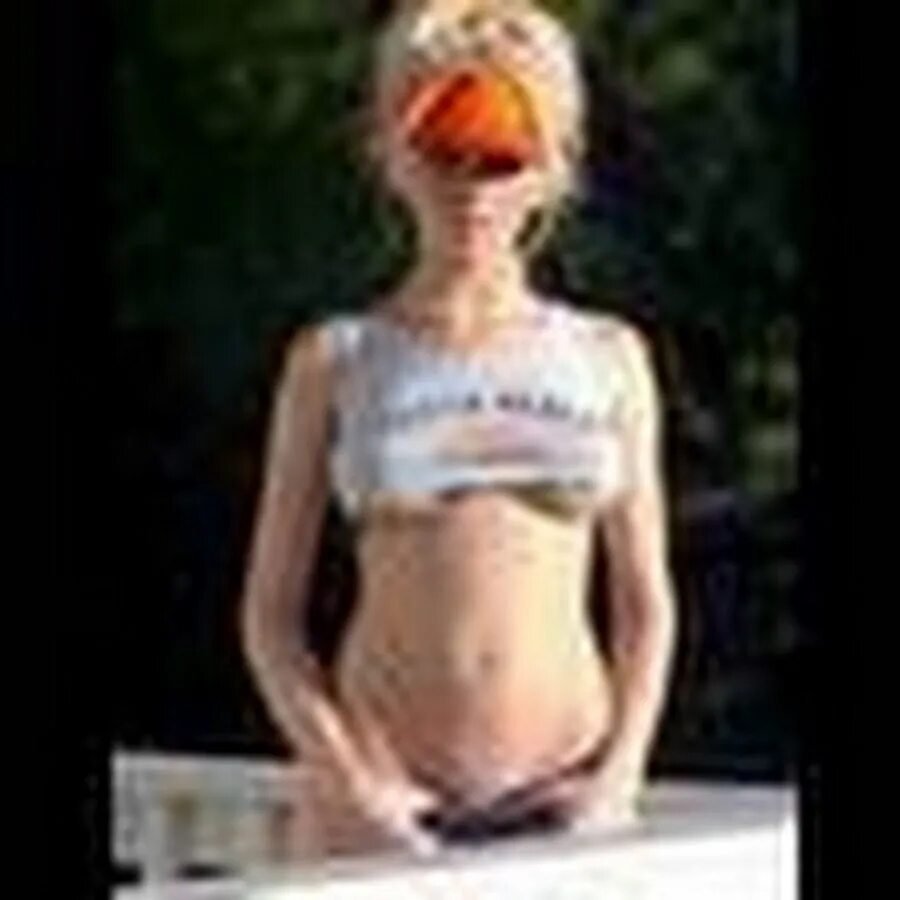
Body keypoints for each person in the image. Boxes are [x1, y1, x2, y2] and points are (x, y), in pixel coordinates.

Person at [240, 0, 677, 860]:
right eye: (443, 152)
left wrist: (619, 776)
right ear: (392, 157)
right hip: (382, 806)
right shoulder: (335, 358)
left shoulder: (608, 356)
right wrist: (348, 780)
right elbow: (269, 617)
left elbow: (646, 604)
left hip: (569, 801)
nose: (472, 186)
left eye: (502, 157)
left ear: (550, 170)